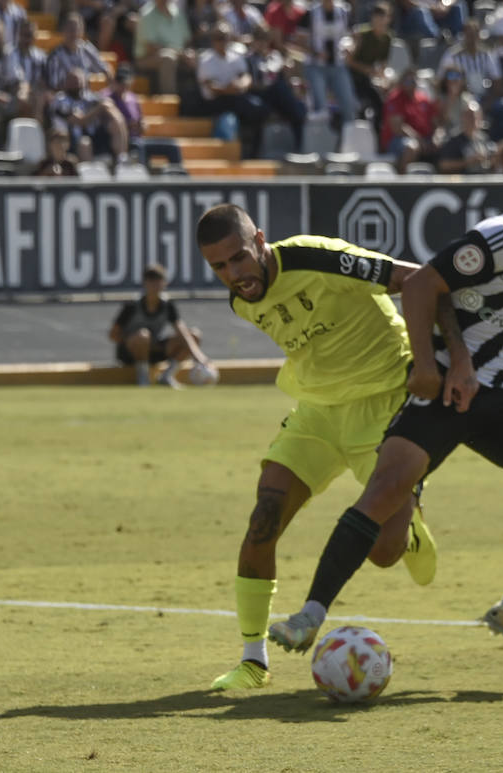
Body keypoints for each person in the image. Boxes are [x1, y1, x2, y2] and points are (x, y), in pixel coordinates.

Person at [266, 161, 503, 657]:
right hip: (445, 390)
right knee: (385, 503)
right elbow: (421, 285)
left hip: (499, 395)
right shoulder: (500, 239)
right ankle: (308, 616)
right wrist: (436, 366)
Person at [195, 203, 459, 691]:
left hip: (384, 406)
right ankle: (253, 662)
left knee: (384, 552)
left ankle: (411, 526)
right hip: (317, 412)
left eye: (238, 258)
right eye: (219, 267)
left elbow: (420, 281)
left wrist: (431, 361)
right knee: (264, 517)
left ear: (259, 239)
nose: (233, 274)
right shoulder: (243, 300)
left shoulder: (319, 258)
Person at [109, 262, 212, 387]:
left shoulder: (167, 305)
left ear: (164, 283)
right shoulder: (132, 305)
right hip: (130, 353)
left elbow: (181, 330)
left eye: (158, 280)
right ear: (145, 283)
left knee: (194, 335)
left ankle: (167, 376)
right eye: (151, 280)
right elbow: (113, 334)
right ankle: (143, 377)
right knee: (143, 336)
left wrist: (198, 356)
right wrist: (135, 342)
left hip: (155, 348)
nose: (155, 285)